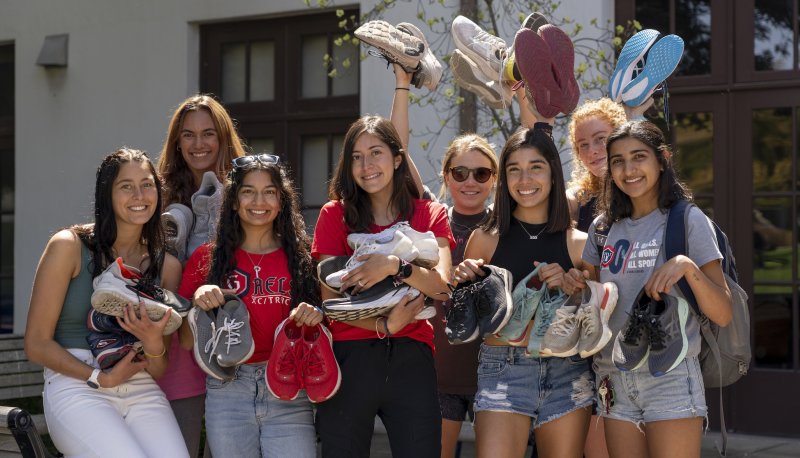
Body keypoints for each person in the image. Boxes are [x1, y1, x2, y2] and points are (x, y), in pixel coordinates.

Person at [568, 120, 732, 457]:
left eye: (639, 157)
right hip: (613, 377)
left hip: (670, 378)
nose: (629, 170)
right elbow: (596, 303)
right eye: (618, 161)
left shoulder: (687, 220)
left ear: (663, 159)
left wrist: (686, 267)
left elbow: (723, 312)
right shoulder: (602, 228)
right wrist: (577, 286)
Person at [24, 148, 189, 457]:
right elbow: (36, 344)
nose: (139, 194)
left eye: (147, 184)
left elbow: (159, 367)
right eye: (126, 186)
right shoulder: (69, 246)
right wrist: (99, 377)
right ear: (107, 194)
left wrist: (152, 340)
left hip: (139, 384)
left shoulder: (166, 267)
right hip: (77, 383)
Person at [312, 115, 455, 458]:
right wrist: (383, 325)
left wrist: (395, 265)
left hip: (412, 358)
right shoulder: (334, 215)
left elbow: (443, 288)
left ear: (397, 159)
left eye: (376, 152)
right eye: (356, 157)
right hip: (349, 360)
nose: (367, 165)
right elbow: (330, 306)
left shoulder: (430, 213)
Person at [453, 126, 594, 458]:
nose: (524, 178)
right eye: (514, 169)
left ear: (553, 174)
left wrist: (576, 288)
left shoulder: (580, 245)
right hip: (502, 367)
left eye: (536, 167)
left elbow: (599, 319)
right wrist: (463, 281)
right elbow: (468, 319)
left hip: (567, 370)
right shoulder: (485, 239)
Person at [183, 154, 322, 457]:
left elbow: (321, 332)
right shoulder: (205, 260)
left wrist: (314, 317)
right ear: (233, 200)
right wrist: (198, 305)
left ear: (281, 200)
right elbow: (183, 340)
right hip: (227, 389)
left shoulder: (302, 259)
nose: (259, 200)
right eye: (248, 191)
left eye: (269, 191)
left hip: (287, 387)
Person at [155, 94, 247, 457]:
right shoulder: (160, 199)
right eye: (188, 135)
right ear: (177, 142)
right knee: (182, 448)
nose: (198, 144)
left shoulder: (246, 192)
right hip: (180, 348)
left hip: (232, 340)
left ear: (224, 138)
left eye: (208, 133)